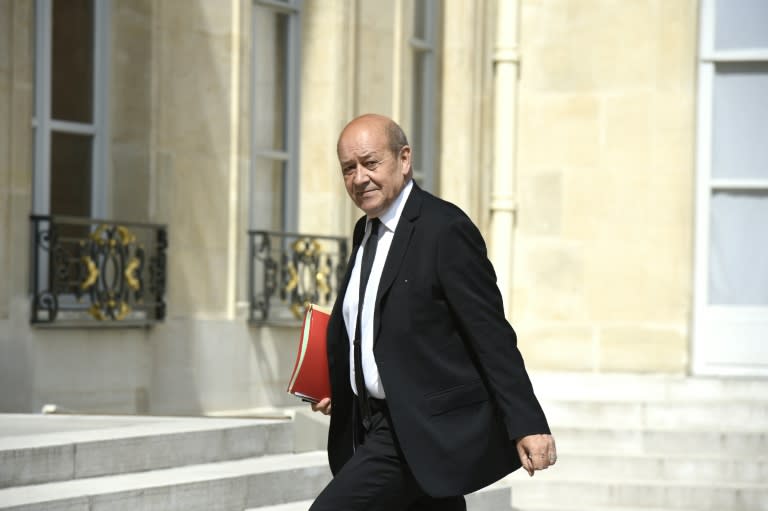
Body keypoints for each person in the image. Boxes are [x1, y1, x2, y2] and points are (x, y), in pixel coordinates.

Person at [309, 114, 556, 510]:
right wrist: (346, 384)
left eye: (371, 163)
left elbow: (490, 334)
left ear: (404, 159)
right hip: (375, 423)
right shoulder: (365, 232)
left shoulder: (444, 229)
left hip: (419, 427)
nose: (359, 178)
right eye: (348, 169)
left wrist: (527, 423)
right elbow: (373, 328)